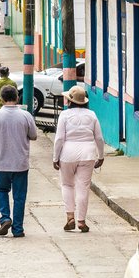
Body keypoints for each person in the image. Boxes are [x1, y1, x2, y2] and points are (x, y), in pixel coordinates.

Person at [0, 85, 37, 238]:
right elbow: (33, 136)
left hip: (2, 163)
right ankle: (18, 229)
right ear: (17, 98)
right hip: (21, 164)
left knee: (1, 191)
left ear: (1, 99)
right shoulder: (26, 116)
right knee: (19, 197)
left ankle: (5, 218)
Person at [52, 85, 105, 233]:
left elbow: (59, 138)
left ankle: (70, 217)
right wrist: (101, 156)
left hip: (67, 154)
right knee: (83, 187)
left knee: (67, 185)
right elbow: (99, 138)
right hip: (88, 154)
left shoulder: (64, 115)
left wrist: (55, 158)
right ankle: (81, 221)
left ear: (70, 101)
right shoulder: (92, 115)